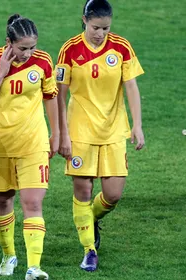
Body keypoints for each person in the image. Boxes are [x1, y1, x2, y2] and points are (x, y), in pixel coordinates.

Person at [55, 0, 145, 272]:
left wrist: (137, 125)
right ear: (84, 20)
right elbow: (59, 95)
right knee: (83, 191)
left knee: (113, 195)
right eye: (96, 27)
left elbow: (131, 87)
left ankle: (89, 218)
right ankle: (89, 250)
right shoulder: (69, 50)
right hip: (79, 131)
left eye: (106, 28)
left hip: (114, 129)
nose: (100, 33)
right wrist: (61, 134)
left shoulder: (121, 47)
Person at [0, 14, 59, 280]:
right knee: (3, 199)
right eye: (22, 47)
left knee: (32, 202)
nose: (28, 53)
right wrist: (1, 70)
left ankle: (34, 267)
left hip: (33, 143)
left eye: (32, 47)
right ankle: (8, 255)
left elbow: (50, 97)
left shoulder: (44, 61)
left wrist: (57, 133)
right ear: (8, 42)